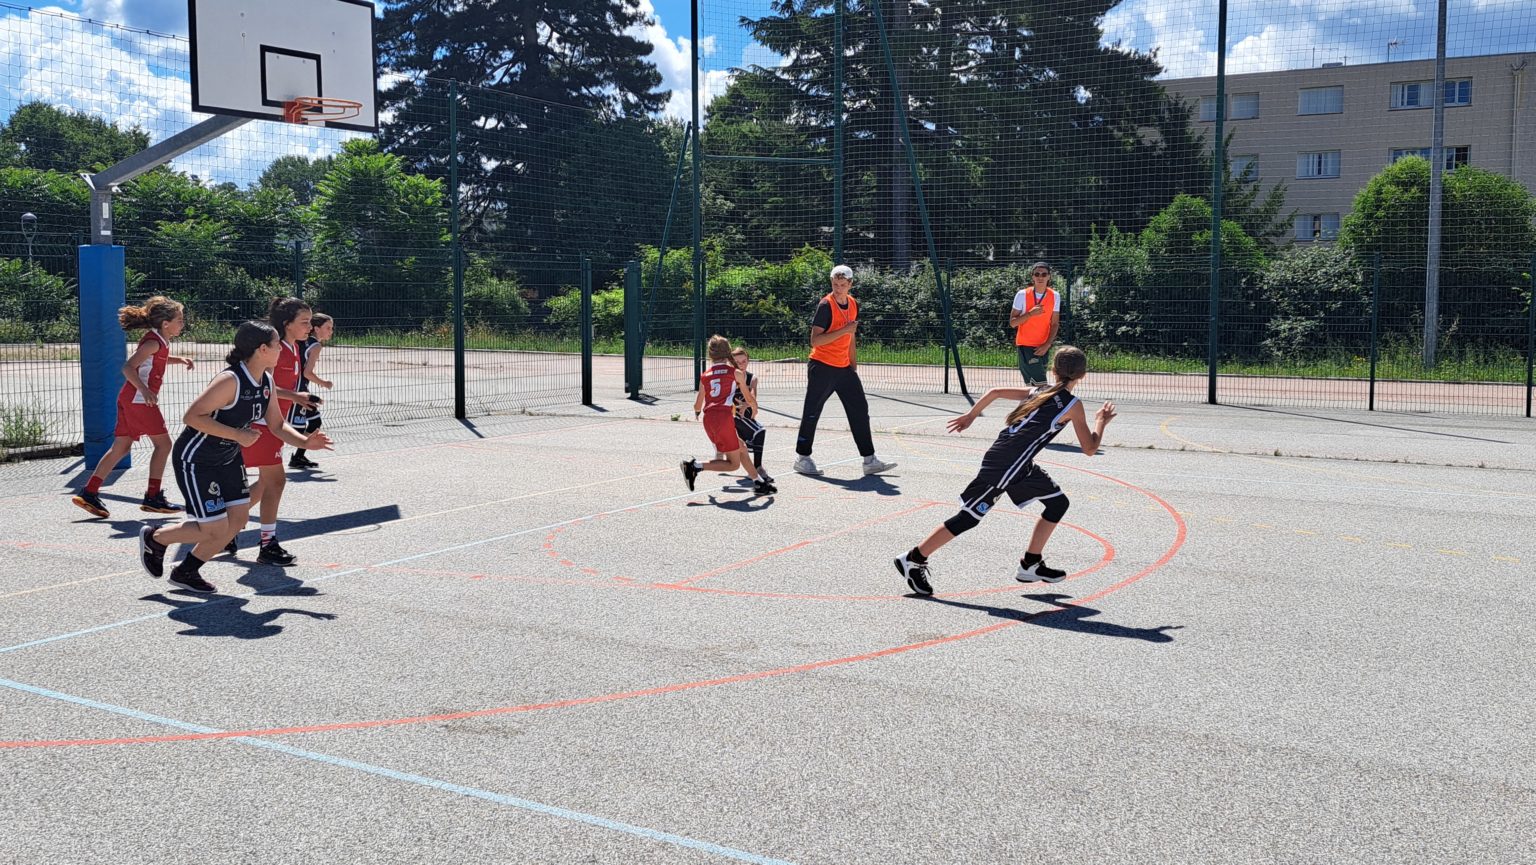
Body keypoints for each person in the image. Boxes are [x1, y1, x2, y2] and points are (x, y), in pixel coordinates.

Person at [893, 346, 1115, 596]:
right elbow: (1089, 448)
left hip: (1017, 463)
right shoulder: (1072, 404)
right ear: (1083, 375)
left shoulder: (1039, 390)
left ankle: (1031, 564)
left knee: (1057, 503)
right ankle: (914, 558)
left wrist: (971, 415)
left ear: (1053, 370)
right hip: (1006, 465)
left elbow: (995, 392)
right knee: (969, 517)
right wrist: (1101, 421)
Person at [137, 321, 331, 593]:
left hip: (228, 457)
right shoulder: (230, 381)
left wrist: (305, 442)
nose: (281, 349)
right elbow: (192, 417)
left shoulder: (266, 381)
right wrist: (237, 434)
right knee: (214, 528)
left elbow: (277, 425)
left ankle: (186, 571)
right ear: (262, 349)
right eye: (277, 345)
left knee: (237, 521)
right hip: (197, 458)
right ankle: (156, 537)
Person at [71, 296, 194, 519]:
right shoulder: (153, 342)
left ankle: (89, 492)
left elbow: (157, 359)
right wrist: (145, 390)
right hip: (139, 400)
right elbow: (128, 367)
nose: (182, 323)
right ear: (166, 324)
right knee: (164, 445)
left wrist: (180, 359)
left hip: (130, 399)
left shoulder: (159, 341)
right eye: (180, 320)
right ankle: (153, 496)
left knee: (121, 448)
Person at [229, 297, 319, 565]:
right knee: (275, 481)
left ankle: (227, 527)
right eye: (304, 322)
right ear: (287, 324)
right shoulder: (274, 351)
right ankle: (266, 543)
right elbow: (259, 384)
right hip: (260, 424)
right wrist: (294, 395)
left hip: (272, 423)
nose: (310, 327)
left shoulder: (292, 348)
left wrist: (297, 398)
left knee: (267, 482)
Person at [792, 264, 896, 477]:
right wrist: (844, 330)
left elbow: (851, 336)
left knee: (860, 410)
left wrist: (853, 365)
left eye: (842, 285)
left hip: (844, 368)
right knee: (812, 411)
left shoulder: (853, 303)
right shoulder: (825, 305)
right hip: (822, 366)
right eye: (835, 284)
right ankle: (802, 458)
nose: (838, 289)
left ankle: (869, 460)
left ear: (850, 284)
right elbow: (815, 341)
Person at [682, 335, 777, 496]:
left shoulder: (705, 375)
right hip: (723, 419)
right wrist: (754, 408)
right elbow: (749, 398)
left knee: (742, 447)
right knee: (733, 464)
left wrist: (697, 412)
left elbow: (697, 405)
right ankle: (694, 466)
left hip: (709, 419)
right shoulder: (736, 373)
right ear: (728, 352)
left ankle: (758, 482)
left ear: (710, 354)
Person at [287, 312, 334, 470]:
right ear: (317, 328)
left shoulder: (301, 340)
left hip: (296, 386)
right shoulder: (316, 346)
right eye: (328, 328)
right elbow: (307, 373)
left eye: (331, 328)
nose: (331, 331)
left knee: (314, 421)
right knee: (289, 427)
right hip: (298, 390)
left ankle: (298, 457)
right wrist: (324, 383)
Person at [1009, 261, 1060, 385]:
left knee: (1033, 386)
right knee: (1040, 385)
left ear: (1049, 276)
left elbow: (1054, 324)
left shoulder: (1055, 296)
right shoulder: (1022, 295)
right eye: (1037, 274)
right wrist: (1030, 314)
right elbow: (1013, 323)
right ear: (1032, 276)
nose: (1040, 277)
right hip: (1026, 346)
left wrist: (1047, 344)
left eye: (1044, 274)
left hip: (1043, 347)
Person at [729, 345, 772, 484]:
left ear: (748, 360)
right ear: (732, 362)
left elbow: (753, 396)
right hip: (733, 416)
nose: (741, 364)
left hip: (746, 417)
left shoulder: (752, 378)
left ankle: (753, 468)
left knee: (753, 439)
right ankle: (757, 468)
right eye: (737, 362)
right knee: (760, 431)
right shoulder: (730, 377)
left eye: (744, 361)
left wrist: (747, 404)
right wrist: (735, 406)